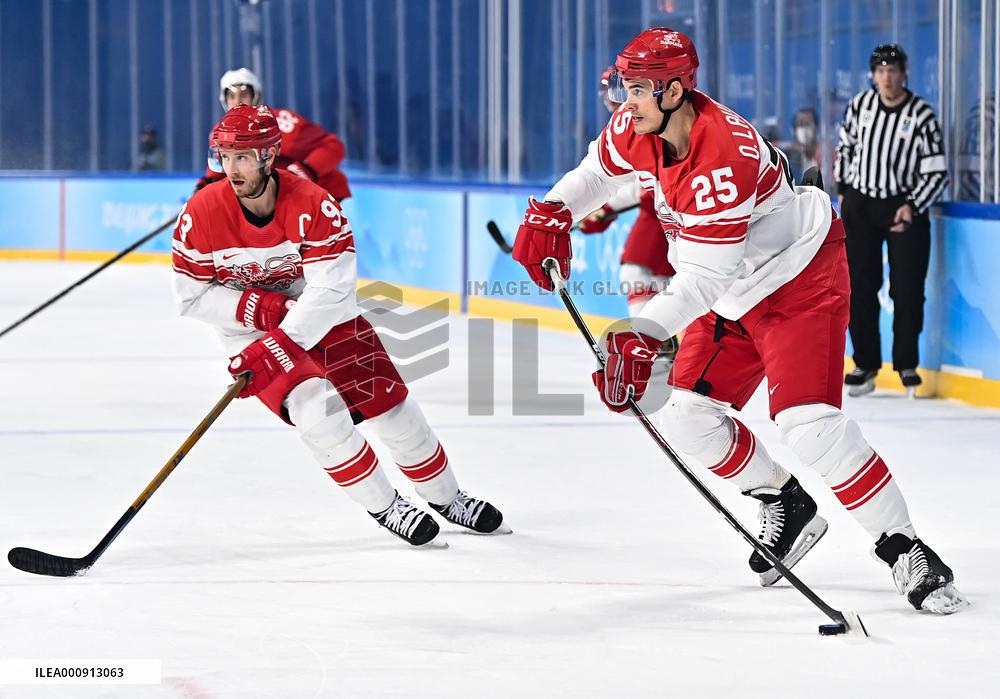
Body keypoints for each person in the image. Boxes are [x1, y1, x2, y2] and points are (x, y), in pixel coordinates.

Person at [512, 28, 966, 613]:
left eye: (640, 89)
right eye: (626, 87)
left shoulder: (722, 152)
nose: (627, 102)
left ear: (676, 90)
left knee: (810, 427)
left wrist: (643, 331)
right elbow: (596, 174)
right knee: (685, 419)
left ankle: (906, 547)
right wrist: (553, 210)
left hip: (796, 278)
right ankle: (787, 503)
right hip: (729, 291)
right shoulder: (639, 124)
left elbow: (705, 278)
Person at [173, 104, 506, 546]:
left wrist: (285, 334)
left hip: (325, 320)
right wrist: (267, 314)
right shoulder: (201, 214)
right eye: (225, 157)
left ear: (269, 157)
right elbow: (191, 297)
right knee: (318, 413)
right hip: (252, 334)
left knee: (394, 412)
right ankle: (387, 506)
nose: (231, 169)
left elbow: (331, 289)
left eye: (243, 157)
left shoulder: (313, 202)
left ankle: (448, 498)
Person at [834, 45, 948, 397]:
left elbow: (937, 172)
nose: (887, 77)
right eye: (880, 70)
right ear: (873, 75)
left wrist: (912, 206)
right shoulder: (860, 106)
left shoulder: (922, 116)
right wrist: (845, 192)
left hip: (903, 207)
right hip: (862, 205)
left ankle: (907, 365)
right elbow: (846, 148)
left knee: (907, 289)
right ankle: (866, 363)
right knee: (859, 287)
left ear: (904, 74)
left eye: (893, 70)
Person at [580, 67, 677, 319]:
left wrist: (606, 208)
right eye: (608, 96)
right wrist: (605, 209)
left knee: (639, 273)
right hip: (659, 209)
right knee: (662, 279)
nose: (613, 102)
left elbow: (639, 180)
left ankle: (651, 341)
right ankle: (659, 345)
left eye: (617, 94)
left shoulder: (648, 119)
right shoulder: (625, 124)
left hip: (671, 208)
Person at [195, 68, 351, 202]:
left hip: (319, 194)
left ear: (255, 96)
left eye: (243, 94)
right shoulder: (219, 133)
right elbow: (218, 174)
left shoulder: (281, 122)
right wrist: (202, 189)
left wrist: (306, 170)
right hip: (270, 201)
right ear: (224, 101)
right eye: (232, 96)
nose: (238, 102)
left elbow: (333, 146)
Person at [781, 108, 820, 184]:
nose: (804, 129)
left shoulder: (826, 155)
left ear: (816, 127)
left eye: (808, 124)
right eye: (801, 124)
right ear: (794, 130)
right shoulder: (787, 156)